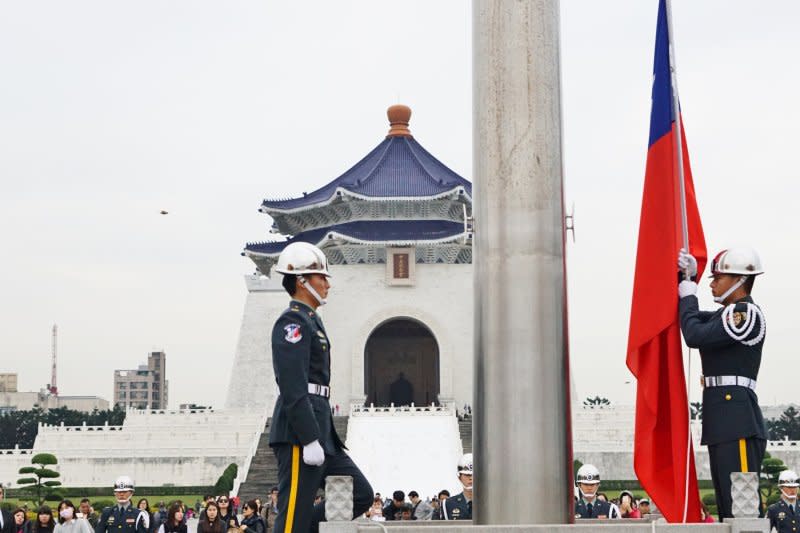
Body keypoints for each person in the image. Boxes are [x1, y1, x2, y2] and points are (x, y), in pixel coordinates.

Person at [268, 242, 373, 533]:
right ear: (302, 281)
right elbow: (292, 386)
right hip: (301, 434)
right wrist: (309, 438)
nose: (327, 283)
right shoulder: (292, 323)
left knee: (361, 494)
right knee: (292, 514)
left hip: (322, 429)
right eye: (321, 277)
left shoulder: (311, 320)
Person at [678, 248, 768, 520]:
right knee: (728, 507)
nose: (713, 283)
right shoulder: (724, 315)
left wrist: (690, 295)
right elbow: (690, 319)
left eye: (719, 277)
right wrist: (686, 278)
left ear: (740, 280)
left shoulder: (745, 314)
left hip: (736, 421)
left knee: (742, 510)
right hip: (723, 418)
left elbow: (693, 333)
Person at [440, 453, 473, 520]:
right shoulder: (448, 504)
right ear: (459, 477)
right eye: (467, 475)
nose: (471, 478)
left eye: (474, 474)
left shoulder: (491, 503)